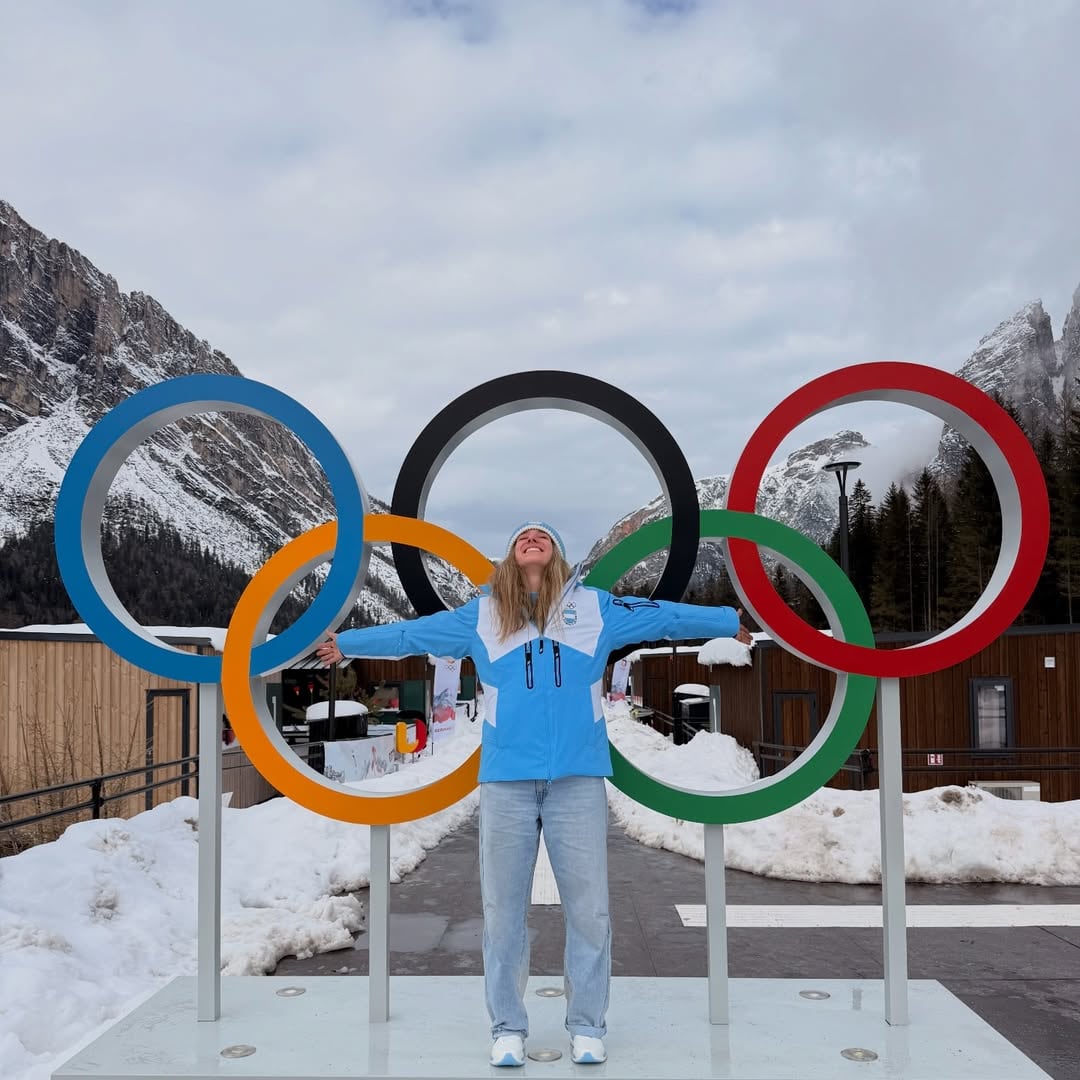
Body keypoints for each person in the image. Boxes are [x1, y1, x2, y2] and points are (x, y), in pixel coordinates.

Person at [317, 521, 751, 1067]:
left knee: (589, 911)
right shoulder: (483, 614)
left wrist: (726, 620)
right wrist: (351, 642)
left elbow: (663, 616)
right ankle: (507, 1028)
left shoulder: (595, 608)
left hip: (577, 780)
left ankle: (588, 1025)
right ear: (509, 554)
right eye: (522, 534)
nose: (531, 537)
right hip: (506, 783)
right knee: (502, 913)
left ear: (559, 555)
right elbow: (413, 635)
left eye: (542, 535)